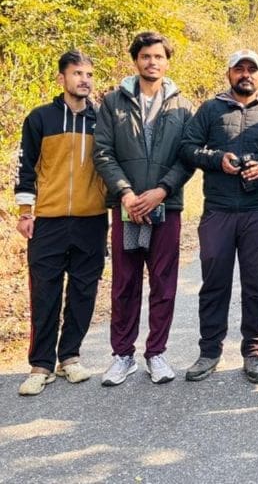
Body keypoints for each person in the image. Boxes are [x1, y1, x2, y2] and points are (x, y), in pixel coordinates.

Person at [93, 31, 194, 386]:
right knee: (125, 282)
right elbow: (102, 152)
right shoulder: (113, 102)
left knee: (164, 283)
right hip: (126, 207)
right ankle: (123, 355)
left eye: (159, 56)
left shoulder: (182, 105)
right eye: (146, 56)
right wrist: (125, 193)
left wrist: (162, 190)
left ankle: (157, 353)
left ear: (167, 61)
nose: (152, 62)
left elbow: (188, 156)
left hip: (167, 206)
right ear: (135, 60)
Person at [180, 49, 258, 384]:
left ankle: (253, 353)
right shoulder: (210, 110)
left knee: (257, 284)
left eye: (251, 69)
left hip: (257, 212)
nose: (245, 75)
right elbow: (188, 147)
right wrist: (217, 159)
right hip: (217, 211)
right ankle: (209, 352)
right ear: (229, 74)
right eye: (239, 69)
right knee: (214, 283)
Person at [14, 50, 108, 396]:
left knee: (84, 290)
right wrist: (26, 213)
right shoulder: (40, 119)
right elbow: (24, 169)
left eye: (89, 74)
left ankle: (70, 356)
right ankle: (41, 364)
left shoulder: (102, 121)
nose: (84, 79)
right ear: (62, 79)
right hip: (48, 221)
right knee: (45, 292)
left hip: (91, 220)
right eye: (77, 73)